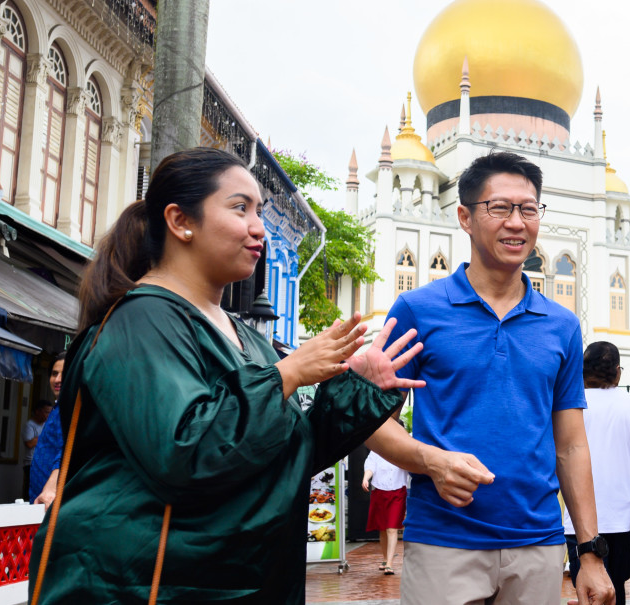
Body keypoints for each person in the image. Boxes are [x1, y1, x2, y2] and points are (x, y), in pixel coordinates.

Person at [28, 147, 424, 604]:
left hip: (245, 582)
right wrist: (288, 373)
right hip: (149, 584)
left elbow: (281, 456)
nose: (258, 228)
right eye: (240, 208)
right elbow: (184, 451)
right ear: (180, 222)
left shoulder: (247, 337)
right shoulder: (142, 320)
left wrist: (358, 390)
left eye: (259, 210)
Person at [375, 152, 615, 605]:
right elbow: (372, 422)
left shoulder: (561, 325)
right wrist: (432, 462)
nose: (517, 223)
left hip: (537, 544)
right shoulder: (417, 311)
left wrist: (589, 552)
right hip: (444, 541)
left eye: (528, 209)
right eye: (500, 208)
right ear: (465, 217)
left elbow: (571, 444)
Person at [564, 342, 630, 605]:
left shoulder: (568, 405)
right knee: (615, 589)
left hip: (576, 520)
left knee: (587, 593)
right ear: (618, 372)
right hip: (621, 519)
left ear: (583, 371)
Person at [363, 419, 412, 576]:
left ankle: (390, 563)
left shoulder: (406, 450)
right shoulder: (377, 450)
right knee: (383, 529)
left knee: (392, 528)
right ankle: (385, 558)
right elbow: (370, 466)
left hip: (398, 492)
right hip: (379, 491)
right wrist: (366, 478)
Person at [30, 352, 65, 505]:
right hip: (41, 500)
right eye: (54, 374)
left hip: (52, 501)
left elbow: (65, 449)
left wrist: (52, 486)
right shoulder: (57, 408)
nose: (57, 379)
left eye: (64, 374)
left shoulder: (69, 408)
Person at [23, 399, 53, 498]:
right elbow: (29, 443)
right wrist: (45, 437)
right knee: (30, 489)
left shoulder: (47, 425)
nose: (48, 415)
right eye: (46, 412)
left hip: (44, 463)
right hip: (30, 463)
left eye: (50, 412)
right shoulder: (29, 425)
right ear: (37, 411)